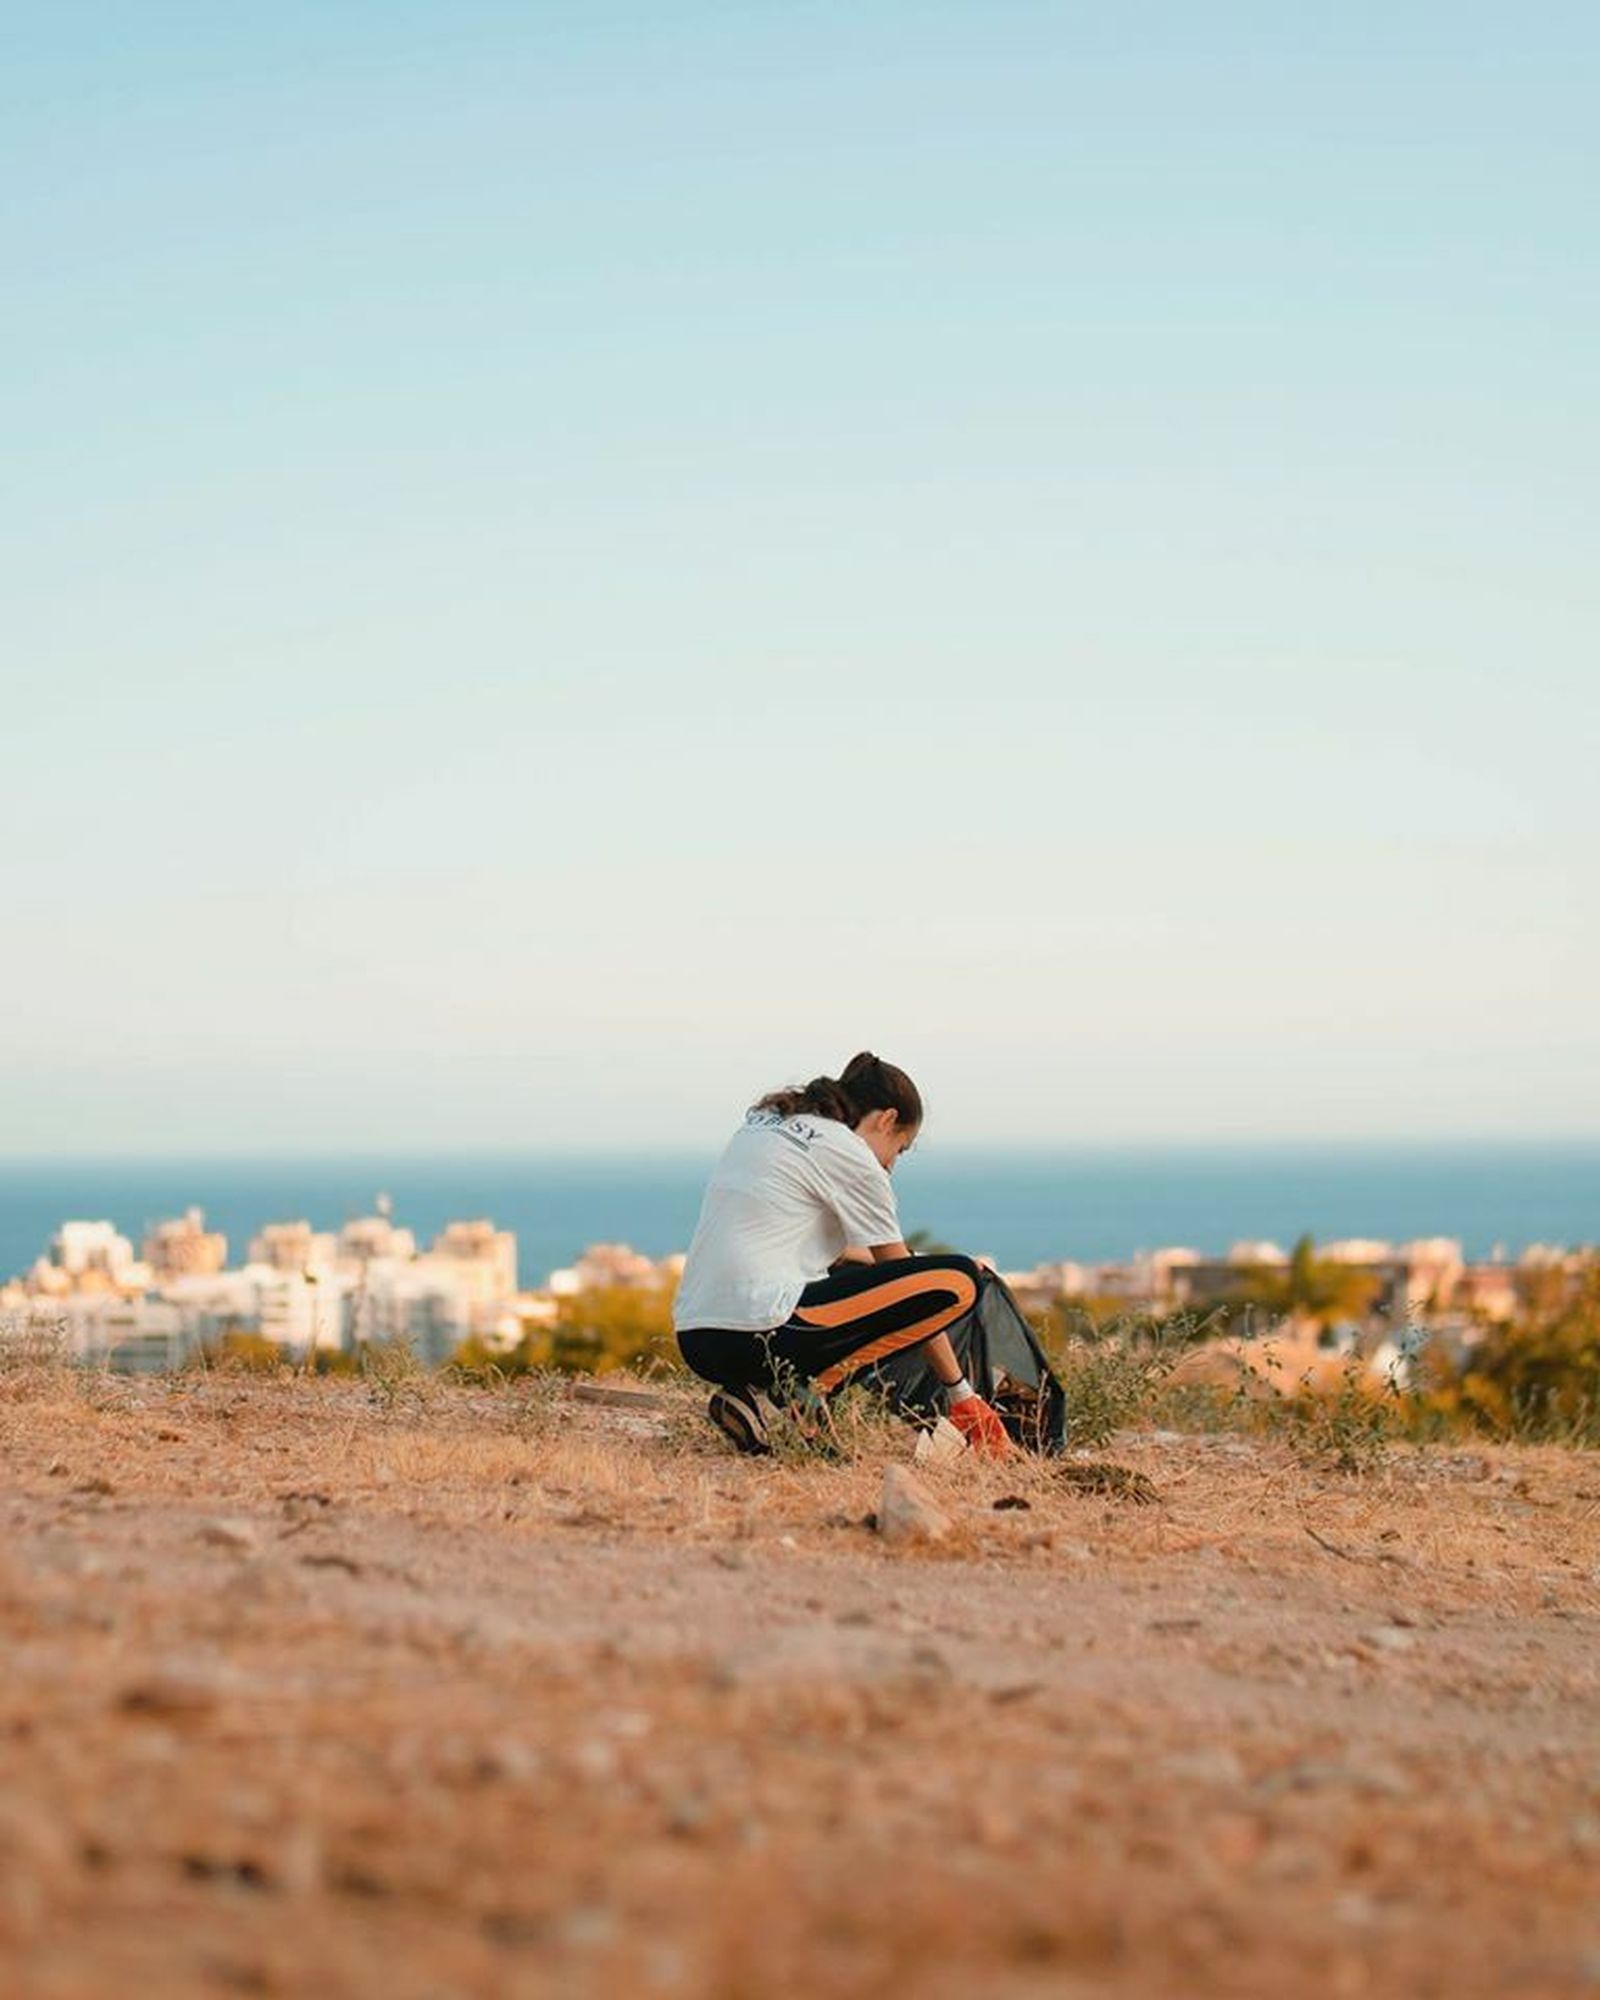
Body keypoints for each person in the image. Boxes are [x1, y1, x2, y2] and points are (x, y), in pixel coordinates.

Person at [672, 1051, 1012, 1456]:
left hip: (697, 1338)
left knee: (878, 1274)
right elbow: (899, 1274)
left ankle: (753, 1398)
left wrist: (913, 1261)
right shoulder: (851, 1154)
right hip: (760, 1331)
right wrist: (960, 1394)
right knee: (959, 1281)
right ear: (886, 1119)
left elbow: (838, 1255)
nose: (890, 1166)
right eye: (899, 1150)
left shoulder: (763, 1125)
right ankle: (794, 1402)